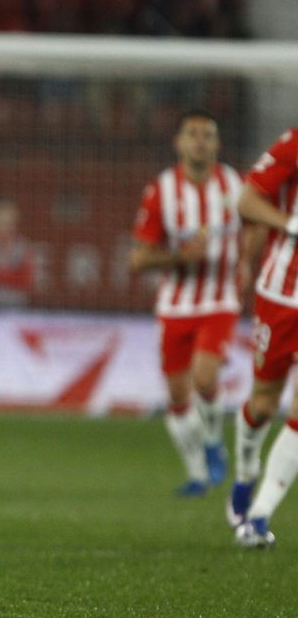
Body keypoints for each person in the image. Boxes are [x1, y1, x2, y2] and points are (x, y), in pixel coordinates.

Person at [128, 109, 245, 497]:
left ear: (217, 144)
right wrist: (179, 257)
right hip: (175, 305)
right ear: (178, 142)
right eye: (192, 134)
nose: (199, 141)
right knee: (178, 398)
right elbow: (138, 259)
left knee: (205, 377)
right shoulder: (161, 190)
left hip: (219, 299)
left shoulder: (234, 186)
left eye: (207, 135)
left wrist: (246, 266)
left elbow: (256, 229)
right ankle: (197, 474)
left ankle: (213, 441)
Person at [230, 125, 298, 548]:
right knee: (264, 403)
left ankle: (258, 516)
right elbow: (247, 199)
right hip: (280, 294)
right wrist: (290, 224)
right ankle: (245, 472)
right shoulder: (295, 142)